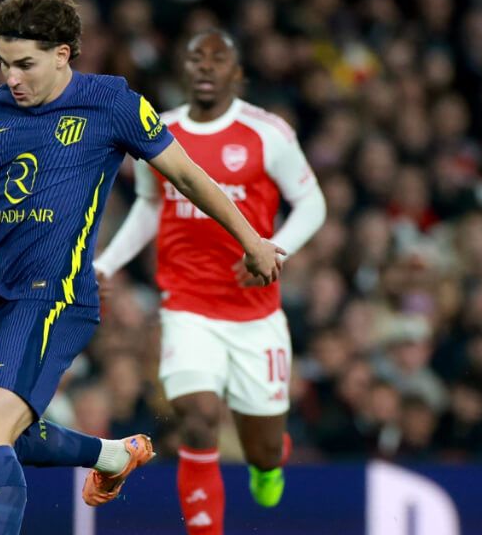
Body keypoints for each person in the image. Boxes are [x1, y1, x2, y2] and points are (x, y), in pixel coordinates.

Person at [0, 0, 283, 535]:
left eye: (25, 65)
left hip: (58, 293)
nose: (12, 78)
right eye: (3, 64)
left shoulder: (112, 103)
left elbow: (187, 176)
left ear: (62, 54)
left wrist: (252, 240)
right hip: (2, 298)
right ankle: (111, 455)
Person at [94, 29, 326, 534]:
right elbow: (150, 205)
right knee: (198, 417)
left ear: (236, 73)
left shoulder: (268, 133)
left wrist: (272, 250)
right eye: (195, 57)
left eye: (217, 59)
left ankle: (269, 461)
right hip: (187, 306)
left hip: (255, 313)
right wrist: (106, 264)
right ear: (184, 69)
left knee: (263, 449)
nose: (205, 66)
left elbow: (312, 203)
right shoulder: (159, 129)